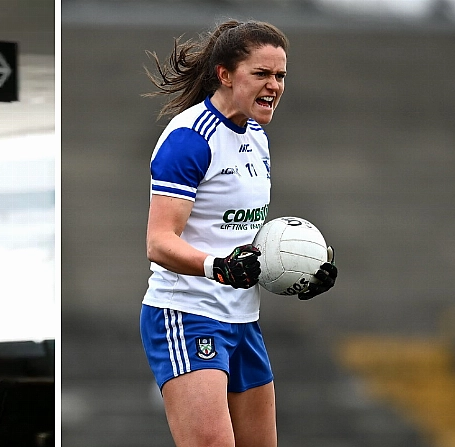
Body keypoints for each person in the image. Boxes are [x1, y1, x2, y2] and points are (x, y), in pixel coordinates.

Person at [140, 21, 337, 447]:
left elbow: (241, 228)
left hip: (243, 318)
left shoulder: (256, 136)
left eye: (280, 75)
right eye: (261, 74)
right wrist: (218, 268)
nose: (274, 86)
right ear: (225, 74)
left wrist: (303, 267)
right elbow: (158, 242)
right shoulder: (189, 139)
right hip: (186, 314)